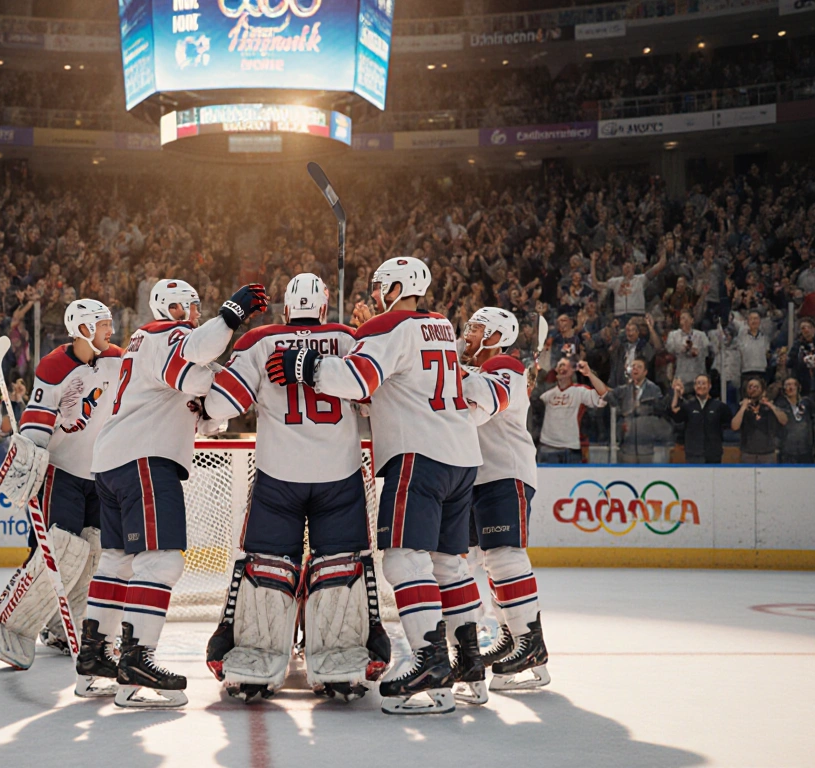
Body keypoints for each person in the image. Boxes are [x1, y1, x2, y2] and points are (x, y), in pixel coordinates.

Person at [267, 257, 509, 716]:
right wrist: (365, 337)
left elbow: (358, 380)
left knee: (403, 559)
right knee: (448, 566)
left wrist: (309, 363)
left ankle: (430, 665)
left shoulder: (389, 325)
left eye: (380, 287)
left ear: (397, 286)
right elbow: (391, 385)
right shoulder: (438, 325)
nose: (375, 295)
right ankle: (470, 668)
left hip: (418, 456)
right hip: (460, 457)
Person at [49, 280, 264, 708]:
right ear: (173, 307)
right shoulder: (167, 334)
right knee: (161, 559)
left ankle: (94, 660)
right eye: (192, 305)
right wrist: (231, 317)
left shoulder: (149, 348)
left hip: (112, 462)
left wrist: (210, 398)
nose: (197, 312)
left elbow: (200, 408)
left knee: (118, 561)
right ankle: (136, 663)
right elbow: (202, 355)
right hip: (145, 461)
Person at [203, 274, 388, 703]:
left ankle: (256, 651)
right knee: (341, 566)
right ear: (324, 307)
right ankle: (340, 654)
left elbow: (221, 405)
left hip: (276, 476)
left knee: (265, 565)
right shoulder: (347, 338)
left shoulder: (259, 340)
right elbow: (372, 398)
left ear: (286, 307)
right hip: (339, 476)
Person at [0, 299, 124, 675]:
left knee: (93, 553)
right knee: (60, 552)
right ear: (83, 330)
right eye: (104, 324)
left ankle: (64, 628)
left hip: (100, 474)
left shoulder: (117, 360)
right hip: (61, 474)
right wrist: (28, 455)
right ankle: (9, 623)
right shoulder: (54, 366)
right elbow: (37, 424)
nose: (111, 331)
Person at [461, 307, 548, 697]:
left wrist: (445, 366)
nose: (468, 333)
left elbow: (483, 406)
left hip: (505, 474)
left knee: (506, 556)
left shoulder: (505, 364)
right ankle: (513, 636)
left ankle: (531, 644)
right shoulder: (484, 369)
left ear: (496, 335)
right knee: (490, 561)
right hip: (481, 477)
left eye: (477, 328)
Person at [537, 359, 607, 464]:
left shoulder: (580, 391)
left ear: (572, 370)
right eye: (559, 365)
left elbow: (604, 396)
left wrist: (589, 374)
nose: (562, 368)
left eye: (565, 365)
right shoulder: (546, 394)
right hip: (547, 448)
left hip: (570, 448)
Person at [608, 358, 666, 464]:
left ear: (645, 372)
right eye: (633, 366)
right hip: (627, 444)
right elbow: (608, 397)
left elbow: (660, 409)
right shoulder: (623, 389)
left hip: (646, 444)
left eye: (639, 367)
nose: (635, 369)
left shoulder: (654, 390)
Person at [670, 374, 731, 464]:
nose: (701, 386)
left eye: (703, 383)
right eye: (698, 383)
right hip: (693, 454)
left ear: (709, 386)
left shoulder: (719, 406)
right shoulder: (688, 406)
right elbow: (676, 414)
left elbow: (729, 424)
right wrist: (676, 393)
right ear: (694, 387)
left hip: (713, 455)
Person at [731, 378, 787, 463]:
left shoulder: (770, 407)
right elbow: (734, 427)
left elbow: (784, 421)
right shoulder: (742, 408)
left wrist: (771, 406)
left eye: (756, 387)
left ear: (762, 390)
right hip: (748, 453)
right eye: (750, 387)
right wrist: (743, 408)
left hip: (768, 453)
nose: (753, 389)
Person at [775, 377, 815, 464]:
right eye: (788, 385)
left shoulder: (807, 402)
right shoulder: (779, 404)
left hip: (806, 450)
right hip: (787, 451)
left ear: (799, 387)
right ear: (783, 389)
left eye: (794, 384)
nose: (791, 387)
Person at [665, 312, 709, 385]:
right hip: (680, 375)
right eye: (682, 318)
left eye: (686, 318)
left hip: (697, 374)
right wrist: (683, 348)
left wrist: (695, 351)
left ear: (692, 320)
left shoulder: (701, 335)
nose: (684, 321)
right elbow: (670, 349)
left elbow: (705, 352)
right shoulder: (673, 335)